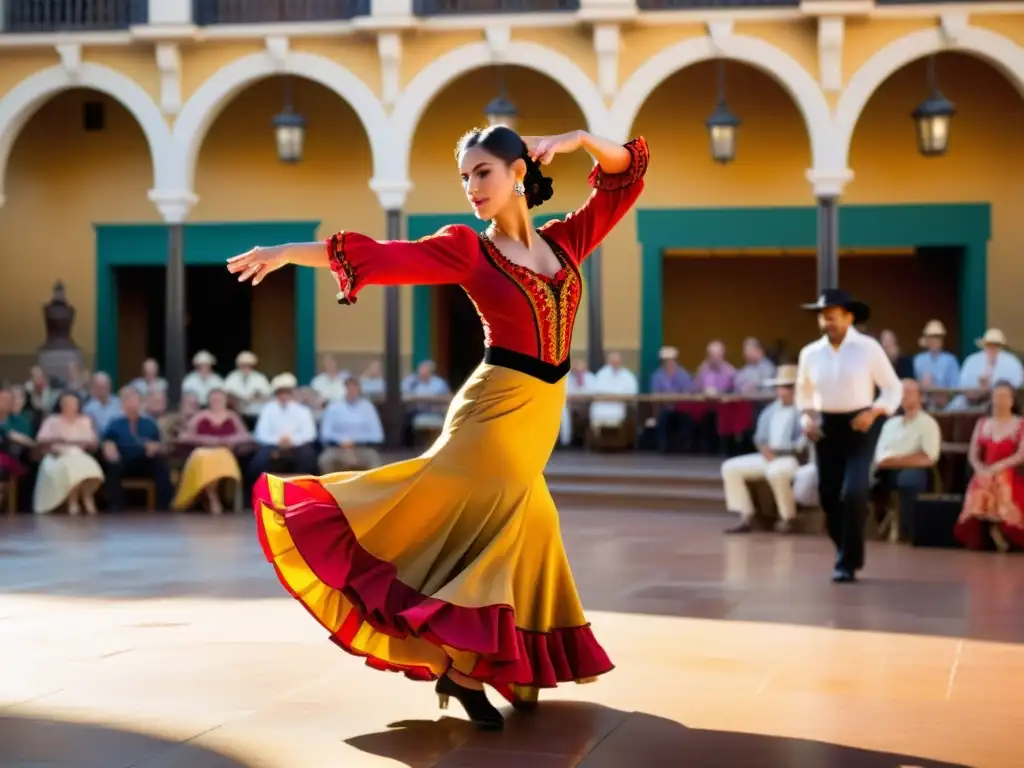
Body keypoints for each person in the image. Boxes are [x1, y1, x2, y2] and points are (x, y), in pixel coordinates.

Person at [228, 126, 648, 730]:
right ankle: (470, 668)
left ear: (519, 172)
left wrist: (579, 137)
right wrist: (289, 251)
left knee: (535, 524)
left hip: (539, 416)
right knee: (495, 528)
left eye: (483, 172)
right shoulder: (468, 249)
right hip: (494, 411)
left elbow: (625, 176)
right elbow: (384, 254)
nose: (472, 187)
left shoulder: (567, 243)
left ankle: (483, 665)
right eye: (465, 177)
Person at [796, 289, 902, 583]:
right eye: (823, 316)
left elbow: (893, 388)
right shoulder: (810, 353)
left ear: (848, 317)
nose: (827, 321)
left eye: (832, 316)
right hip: (826, 428)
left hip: (860, 425)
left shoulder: (868, 348)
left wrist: (875, 412)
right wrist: (806, 417)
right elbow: (802, 393)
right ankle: (847, 549)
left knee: (854, 492)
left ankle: (846, 561)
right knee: (829, 495)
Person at [722, 365, 814, 535]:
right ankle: (745, 515)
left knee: (776, 472)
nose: (782, 391)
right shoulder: (770, 410)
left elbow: (802, 444)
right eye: (780, 387)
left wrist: (779, 451)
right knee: (730, 467)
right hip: (768, 456)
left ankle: (787, 518)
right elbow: (759, 437)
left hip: (791, 459)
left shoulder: (805, 411)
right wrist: (764, 449)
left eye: (786, 387)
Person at [955, 381, 1024, 552]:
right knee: (982, 478)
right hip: (986, 470)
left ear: (1012, 400)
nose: (999, 400)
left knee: (1001, 479)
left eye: (1003, 396)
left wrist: (999, 466)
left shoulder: (1020, 423)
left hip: (1010, 470)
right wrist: (979, 467)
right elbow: (973, 453)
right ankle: (990, 525)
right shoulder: (982, 423)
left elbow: (1021, 455)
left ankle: (1001, 526)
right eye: (996, 396)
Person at [173, 388, 250, 514]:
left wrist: (228, 440)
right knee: (204, 459)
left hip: (225, 452)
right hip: (203, 452)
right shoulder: (200, 416)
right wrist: (205, 439)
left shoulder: (232, 416)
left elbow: (245, 435)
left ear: (225, 401)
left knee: (221, 458)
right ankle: (212, 496)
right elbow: (184, 436)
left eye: (219, 399)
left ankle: (211, 497)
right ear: (209, 401)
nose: (216, 402)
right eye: (213, 399)